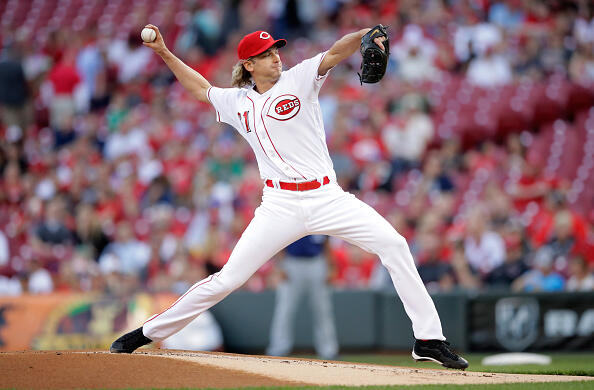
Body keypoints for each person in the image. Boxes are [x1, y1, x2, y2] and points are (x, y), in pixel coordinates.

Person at [110, 24, 468, 370]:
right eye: (265, 55)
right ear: (248, 65)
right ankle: (146, 333)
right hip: (278, 206)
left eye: (275, 50)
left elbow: (335, 52)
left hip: (328, 197)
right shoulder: (237, 102)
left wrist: (363, 35)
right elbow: (200, 88)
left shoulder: (299, 78)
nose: (275, 57)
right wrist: (164, 52)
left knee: (395, 244)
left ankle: (428, 339)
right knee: (227, 279)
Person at [266, 235, 338, 360]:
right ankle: (278, 349)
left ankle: (328, 350)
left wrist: (330, 266)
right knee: (285, 310)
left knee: (322, 310)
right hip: (292, 262)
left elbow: (326, 243)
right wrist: (280, 266)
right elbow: (279, 240)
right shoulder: (291, 215)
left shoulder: (319, 216)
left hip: (316, 262)